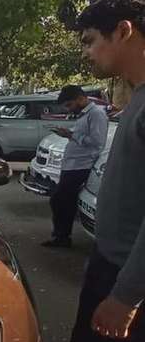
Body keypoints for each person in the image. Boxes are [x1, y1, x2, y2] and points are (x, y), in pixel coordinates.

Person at [43, 0, 145, 342]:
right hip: (111, 262)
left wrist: (126, 295)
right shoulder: (136, 99)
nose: (86, 52)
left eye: (90, 40)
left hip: (133, 275)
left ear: (124, 31)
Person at [42, 84, 108, 248]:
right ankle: (62, 236)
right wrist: (68, 134)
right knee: (63, 200)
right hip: (72, 164)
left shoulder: (96, 114)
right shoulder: (84, 115)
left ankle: (62, 236)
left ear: (80, 98)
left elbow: (97, 142)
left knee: (59, 200)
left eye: (70, 105)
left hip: (82, 165)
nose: (69, 109)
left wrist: (71, 135)